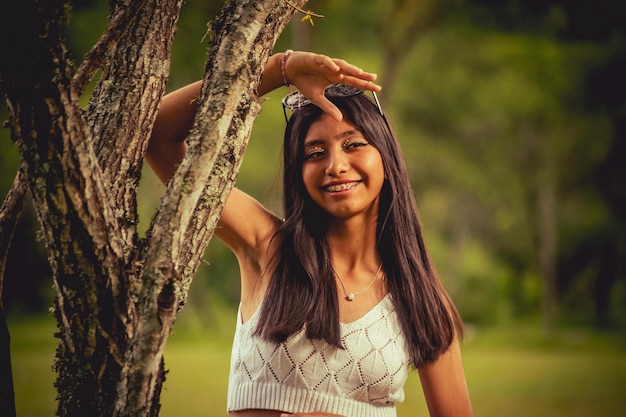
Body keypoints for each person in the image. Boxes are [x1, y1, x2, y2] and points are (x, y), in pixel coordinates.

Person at [146, 50, 473, 417]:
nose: (335, 165)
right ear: (298, 172)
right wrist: (275, 70)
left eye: (353, 145)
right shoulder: (266, 246)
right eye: (315, 153)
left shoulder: (420, 295)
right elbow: (156, 135)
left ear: (386, 157)